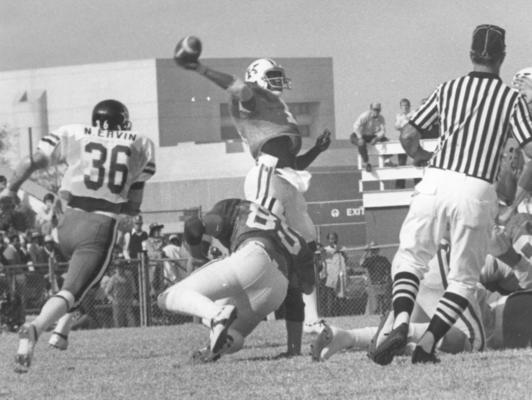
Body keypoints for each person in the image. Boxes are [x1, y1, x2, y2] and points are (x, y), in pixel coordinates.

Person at [369, 24, 532, 365]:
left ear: (471, 53)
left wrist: (421, 159)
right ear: (502, 57)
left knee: (410, 259)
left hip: (435, 180)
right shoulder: (511, 99)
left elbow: (410, 133)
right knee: (462, 278)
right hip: (475, 188)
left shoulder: (448, 88)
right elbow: (528, 146)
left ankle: (400, 322)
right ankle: (427, 345)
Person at [174, 50, 331, 350]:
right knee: (259, 243)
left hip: (286, 180)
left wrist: (317, 151)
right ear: (257, 79)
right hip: (267, 176)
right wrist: (201, 69)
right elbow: (236, 87)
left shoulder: (275, 106)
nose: (278, 81)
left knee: (307, 247)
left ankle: (312, 319)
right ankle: (222, 308)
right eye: (271, 76)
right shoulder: (253, 96)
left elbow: (293, 164)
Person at [7, 98, 156, 372]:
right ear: (122, 123)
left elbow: (31, 161)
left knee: (89, 280)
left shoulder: (76, 134)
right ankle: (36, 328)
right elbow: (134, 206)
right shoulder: (138, 143)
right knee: (72, 289)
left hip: (65, 225)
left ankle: (61, 331)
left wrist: (9, 190)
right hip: (98, 227)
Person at [157, 198, 316, 363]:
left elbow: (194, 226)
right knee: (233, 334)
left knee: (166, 297)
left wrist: (197, 256)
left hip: (253, 255)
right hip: (276, 290)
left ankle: (216, 316)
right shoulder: (297, 239)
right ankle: (212, 349)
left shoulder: (238, 207)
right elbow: (300, 296)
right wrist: (293, 349)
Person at [350, 102, 393, 172]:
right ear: (371, 109)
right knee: (361, 143)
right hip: (359, 134)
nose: (376, 112)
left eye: (378, 110)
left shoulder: (381, 118)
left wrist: (377, 138)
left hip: (370, 135)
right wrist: (360, 137)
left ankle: (387, 160)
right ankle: (367, 163)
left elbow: (383, 131)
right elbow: (355, 126)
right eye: (375, 110)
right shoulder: (365, 116)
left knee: (386, 140)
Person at [320, 232, 347, 316]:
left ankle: (340, 313)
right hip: (330, 275)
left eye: (334, 238)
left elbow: (345, 259)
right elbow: (322, 259)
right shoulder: (326, 249)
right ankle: (329, 314)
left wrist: (341, 252)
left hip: (340, 274)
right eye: (331, 239)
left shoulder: (342, 248)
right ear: (328, 240)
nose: (333, 240)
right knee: (329, 295)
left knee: (340, 295)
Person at [361, 241, 392, 315]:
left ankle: (384, 314)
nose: (374, 252)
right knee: (376, 302)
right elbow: (361, 263)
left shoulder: (383, 259)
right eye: (372, 250)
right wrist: (365, 252)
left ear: (378, 250)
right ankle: (377, 314)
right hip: (374, 283)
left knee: (384, 301)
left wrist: (387, 278)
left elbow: (390, 269)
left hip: (384, 282)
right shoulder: (369, 260)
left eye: (375, 250)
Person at [104, 259, 137, 328]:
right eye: (116, 267)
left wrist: (133, 298)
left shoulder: (128, 277)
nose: (118, 269)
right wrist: (112, 300)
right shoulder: (113, 278)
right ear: (115, 269)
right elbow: (107, 292)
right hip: (117, 301)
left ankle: (133, 331)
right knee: (118, 320)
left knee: (131, 320)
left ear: (123, 268)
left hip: (127, 300)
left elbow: (133, 290)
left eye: (120, 267)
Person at [394, 98, 414, 189]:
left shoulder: (413, 114)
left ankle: (418, 185)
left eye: (406, 106)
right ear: (400, 107)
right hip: (403, 141)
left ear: (409, 107)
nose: (405, 108)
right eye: (403, 106)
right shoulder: (399, 116)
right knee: (401, 163)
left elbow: (411, 126)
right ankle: (400, 187)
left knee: (415, 163)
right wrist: (403, 120)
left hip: (413, 141)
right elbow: (397, 126)